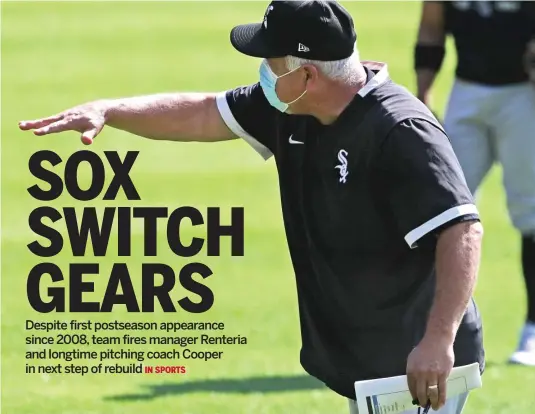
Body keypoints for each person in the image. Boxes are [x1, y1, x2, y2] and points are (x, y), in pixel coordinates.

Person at [19, 1, 485, 412]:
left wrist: (438, 340)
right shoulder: (291, 106)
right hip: (376, 355)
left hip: (420, 362)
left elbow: (461, 229)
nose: (263, 69)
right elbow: (203, 112)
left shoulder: (399, 130)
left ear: (308, 74)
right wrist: (111, 110)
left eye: (271, 60)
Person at [415, 0, 535, 367]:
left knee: (531, 213)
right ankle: (424, 328)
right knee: (439, 210)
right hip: (466, 92)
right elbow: (431, 27)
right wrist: (423, 93)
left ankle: (533, 328)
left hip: (523, 93)